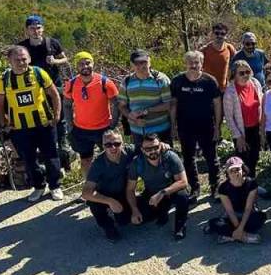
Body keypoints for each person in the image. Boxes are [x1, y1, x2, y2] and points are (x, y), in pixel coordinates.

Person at [0, 46, 65, 202]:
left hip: (44, 123)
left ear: (29, 59)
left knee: (51, 156)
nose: (21, 62)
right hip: (19, 127)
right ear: (9, 61)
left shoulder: (39, 73)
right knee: (29, 159)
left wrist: (57, 115)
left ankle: (55, 186)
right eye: (17, 60)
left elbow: (54, 94)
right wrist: (4, 123)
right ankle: (39, 186)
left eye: (24, 59)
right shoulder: (4, 79)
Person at [172, 50, 223, 198]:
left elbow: (217, 104)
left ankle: (215, 186)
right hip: (184, 126)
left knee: (211, 157)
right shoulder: (177, 81)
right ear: (185, 63)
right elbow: (173, 105)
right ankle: (195, 188)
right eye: (190, 62)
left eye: (197, 62)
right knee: (188, 158)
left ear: (202, 64)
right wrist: (173, 126)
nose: (193, 65)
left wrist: (218, 126)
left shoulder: (210, 81)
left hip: (206, 125)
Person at [63, 51, 120, 179]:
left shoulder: (105, 82)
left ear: (93, 63)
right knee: (85, 160)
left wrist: (113, 123)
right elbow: (66, 104)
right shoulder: (71, 84)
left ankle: (111, 187)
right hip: (81, 130)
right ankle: (88, 189)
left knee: (111, 158)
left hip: (103, 129)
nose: (85, 66)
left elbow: (116, 103)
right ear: (76, 67)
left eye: (88, 63)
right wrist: (70, 125)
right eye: (81, 64)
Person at [126, 133, 191, 240]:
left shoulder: (170, 157)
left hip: (171, 190)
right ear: (142, 149)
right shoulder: (137, 163)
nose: (152, 151)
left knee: (182, 196)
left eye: (155, 147)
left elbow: (183, 181)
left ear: (160, 146)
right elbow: (130, 189)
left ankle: (180, 226)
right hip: (152, 192)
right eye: (147, 149)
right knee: (138, 219)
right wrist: (134, 210)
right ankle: (161, 211)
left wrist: (162, 193)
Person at [19, 15, 68, 149]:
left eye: (38, 28)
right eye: (32, 28)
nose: (36, 31)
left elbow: (64, 59)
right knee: (39, 116)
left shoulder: (52, 43)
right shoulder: (22, 47)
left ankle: (62, 142)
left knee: (59, 114)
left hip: (54, 84)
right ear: (27, 30)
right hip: (33, 87)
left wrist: (55, 61)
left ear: (43, 29)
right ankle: (43, 144)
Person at [80, 131, 135, 241]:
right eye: (108, 145)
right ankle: (107, 226)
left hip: (122, 193)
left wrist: (163, 146)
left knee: (124, 221)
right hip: (103, 194)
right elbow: (86, 192)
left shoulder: (130, 151)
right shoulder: (98, 163)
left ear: (123, 143)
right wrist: (110, 201)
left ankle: (118, 214)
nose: (113, 147)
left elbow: (148, 146)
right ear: (103, 145)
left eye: (117, 144)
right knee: (94, 203)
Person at [206, 156, 266, 244]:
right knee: (213, 223)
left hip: (247, 214)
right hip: (232, 216)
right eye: (231, 171)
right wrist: (240, 231)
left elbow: (248, 208)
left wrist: (240, 229)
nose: (235, 173)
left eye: (237, 169)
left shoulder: (251, 183)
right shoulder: (223, 188)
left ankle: (229, 236)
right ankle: (244, 237)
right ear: (227, 173)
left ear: (243, 169)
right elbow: (229, 211)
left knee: (261, 217)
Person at [117, 49, 172, 146]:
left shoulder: (161, 79)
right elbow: (122, 105)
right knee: (140, 159)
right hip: (137, 131)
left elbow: (169, 104)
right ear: (132, 65)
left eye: (144, 62)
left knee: (165, 158)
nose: (141, 66)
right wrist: (131, 117)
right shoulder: (126, 81)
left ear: (149, 62)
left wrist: (147, 110)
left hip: (161, 129)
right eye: (137, 63)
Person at [200, 23, 238, 89]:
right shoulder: (205, 50)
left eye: (222, 34)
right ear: (212, 34)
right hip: (207, 88)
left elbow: (238, 63)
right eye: (217, 33)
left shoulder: (229, 48)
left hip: (223, 89)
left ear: (226, 36)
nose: (219, 36)